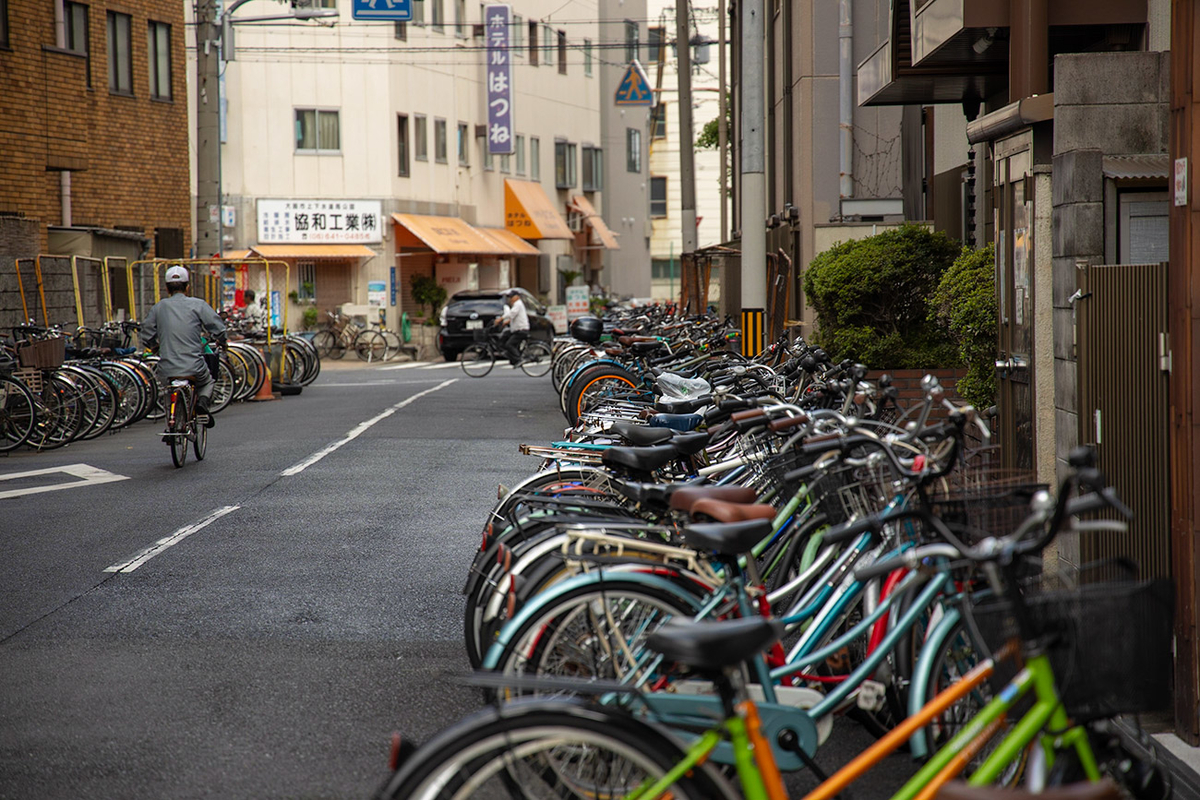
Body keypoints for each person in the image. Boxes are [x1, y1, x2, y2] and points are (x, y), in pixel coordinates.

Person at [141, 266, 227, 428]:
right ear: (188, 287)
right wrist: (221, 340)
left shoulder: (158, 307)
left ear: (166, 288)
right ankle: (201, 403)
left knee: (168, 388)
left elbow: (146, 332)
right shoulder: (198, 305)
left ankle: (172, 420)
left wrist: (155, 347)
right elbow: (218, 328)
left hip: (167, 367)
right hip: (194, 366)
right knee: (208, 381)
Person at [495, 290, 530, 365]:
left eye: (512, 297)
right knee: (506, 335)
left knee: (509, 344)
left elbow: (511, 314)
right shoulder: (516, 304)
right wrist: (507, 322)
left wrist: (500, 319)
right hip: (517, 329)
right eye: (510, 297)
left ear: (517, 297)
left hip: (521, 329)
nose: (510, 298)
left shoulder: (518, 304)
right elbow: (514, 316)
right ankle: (512, 359)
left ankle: (518, 359)